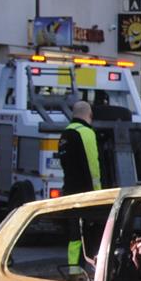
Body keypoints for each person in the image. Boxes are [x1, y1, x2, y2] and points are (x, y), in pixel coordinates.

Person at [57, 99, 103, 269]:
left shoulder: (65, 134)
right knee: (89, 233)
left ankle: (73, 269)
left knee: (74, 233)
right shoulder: (86, 133)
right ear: (89, 115)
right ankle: (89, 268)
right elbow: (93, 166)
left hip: (69, 190)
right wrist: (99, 194)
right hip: (85, 193)